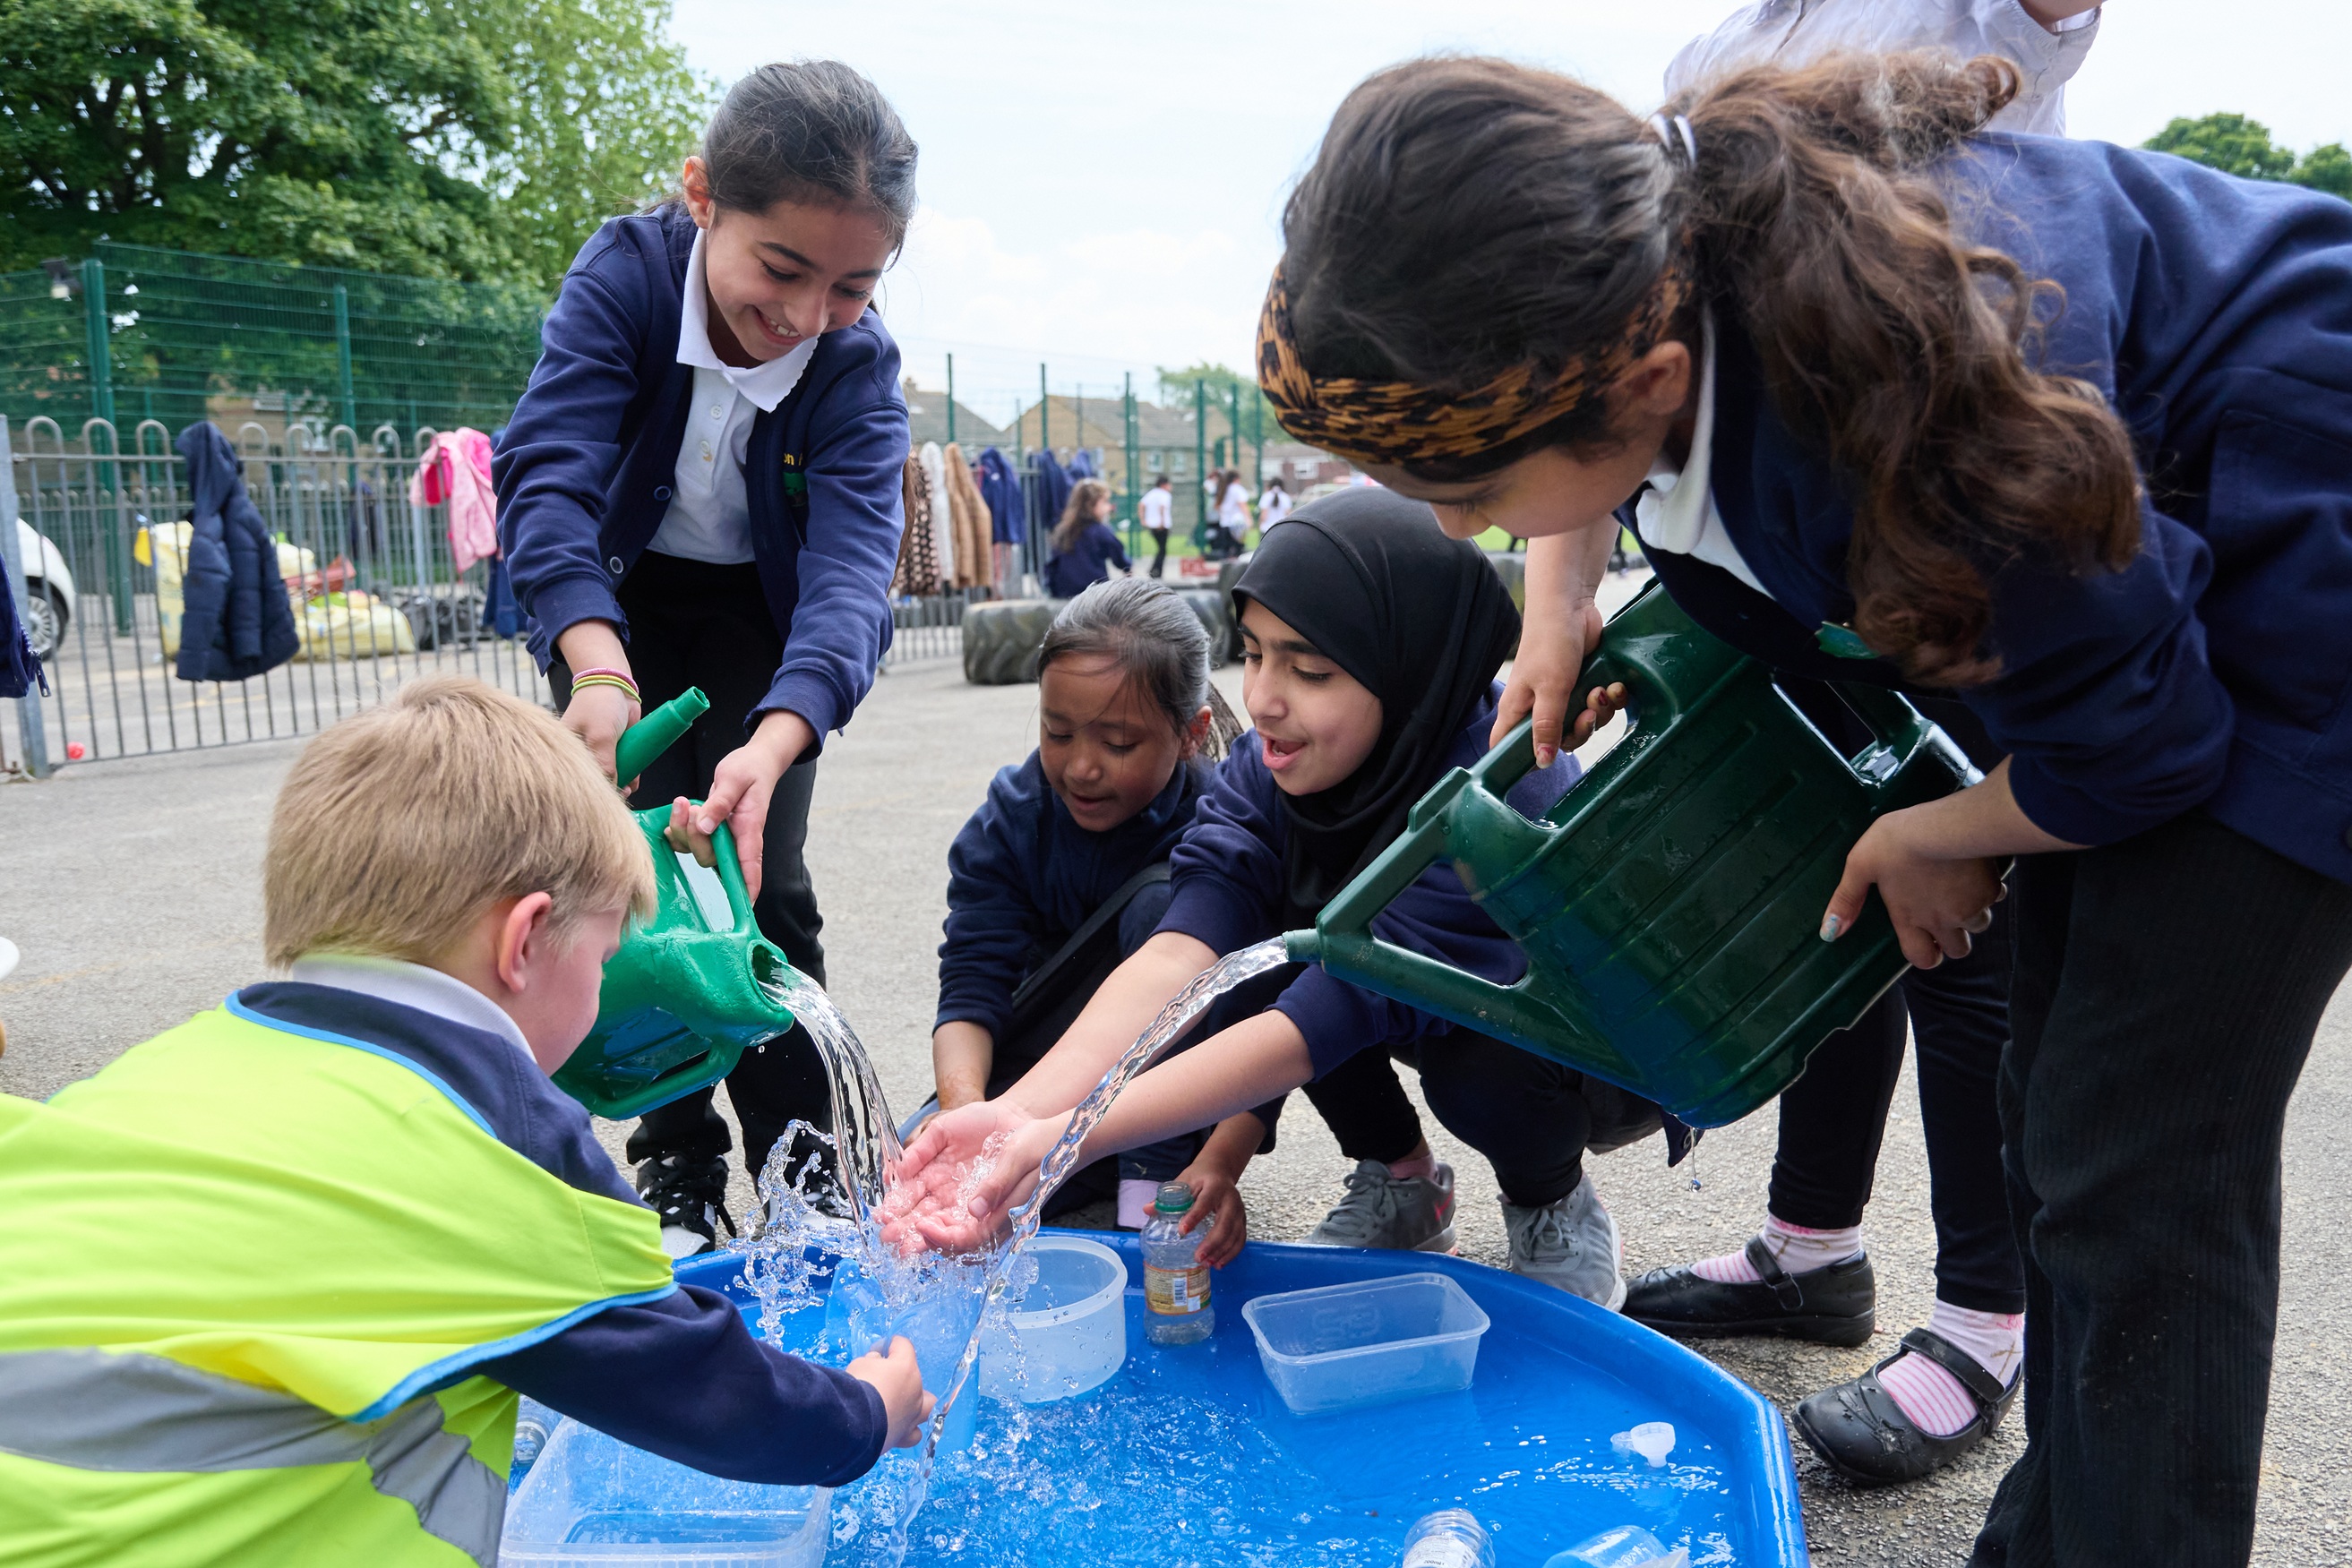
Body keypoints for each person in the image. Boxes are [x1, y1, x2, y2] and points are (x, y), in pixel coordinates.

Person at [1252, 52, 2352, 1565]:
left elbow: (2143, 751)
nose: (1460, 530)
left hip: (2305, 591)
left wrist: (1935, 830)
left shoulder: (1899, 434)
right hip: (2144, 587)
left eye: (1479, 494)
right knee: (2059, 1103)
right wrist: (1553, 599)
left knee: (2143, 1151)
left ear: (1642, 388)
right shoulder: (1661, 257)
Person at [0, 678, 931, 1564]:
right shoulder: (493, 1143)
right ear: (525, 939)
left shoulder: (168, 1067)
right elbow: (707, 1385)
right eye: (607, 954)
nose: (606, 980)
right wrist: (865, 1411)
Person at [1609, 0, 2106, 1487]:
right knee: (1830, 895)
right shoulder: (1714, 51)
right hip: (1791, 547)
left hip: (1954, 509)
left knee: (1958, 936)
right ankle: (1810, 1245)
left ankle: (1985, 1322)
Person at [894, 494, 1648, 1308]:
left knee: (1476, 1068)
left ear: (1408, 666)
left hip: (1583, 1043)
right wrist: (1012, 1118)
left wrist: (1058, 1145)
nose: (1262, 698)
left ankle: (1553, 1202)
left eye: (1309, 669)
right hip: (1391, 1001)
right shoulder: (1269, 766)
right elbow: (1183, 954)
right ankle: (1406, 1186)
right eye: (1253, 654)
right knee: (1282, 944)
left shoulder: (1500, 795)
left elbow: (1313, 1028)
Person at [496, 62, 916, 1255]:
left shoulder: (855, 365)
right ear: (701, 197)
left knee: (756, 882)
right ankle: (676, 1162)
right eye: (781, 268)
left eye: (851, 284)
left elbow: (846, 581)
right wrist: (596, 668)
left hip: (761, 631)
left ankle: (812, 1176)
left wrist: (778, 739)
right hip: (611, 615)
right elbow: (548, 477)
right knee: (621, 890)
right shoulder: (625, 276)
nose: (803, 312)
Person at [928, 576, 1266, 1239]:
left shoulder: (1230, 827)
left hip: (1182, 1097)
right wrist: (967, 1121)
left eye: (1117, 745)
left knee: (1163, 904)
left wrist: (1219, 1161)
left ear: (1192, 733)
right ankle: (1068, 1160)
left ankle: (1149, 1179)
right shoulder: (1012, 819)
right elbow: (970, 990)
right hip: (1043, 1082)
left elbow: (1269, 1019)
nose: (1081, 767)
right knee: (926, 1191)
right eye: (1058, 733)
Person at [1042, 479, 1133, 599]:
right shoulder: (1099, 531)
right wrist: (1127, 568)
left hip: (1064, 591)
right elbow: (1117, 552)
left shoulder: (1063, 530)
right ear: (1091, 504)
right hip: (1093, 591)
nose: (1108, 507)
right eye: (1105, 501)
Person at [1140, 473, 1175, 578]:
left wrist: (1143, 520)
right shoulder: (1165, 495)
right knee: (1162, 550)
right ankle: (1156, 571)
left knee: (1161, 549)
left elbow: (1141, 504)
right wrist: (1162, 522)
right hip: (1161, 526)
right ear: (1164, 484)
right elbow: (1162, 507)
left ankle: (1155, 570)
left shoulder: (1151, 493)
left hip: (1152, 525)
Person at [1217, 468, 1255, 556]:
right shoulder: (1238, 489)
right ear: (1237, 479)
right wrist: (1249, 519)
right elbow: (1243, 505)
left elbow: (1218, 507)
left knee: (1226, 553)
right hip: (1236, 525)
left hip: (1224, 524)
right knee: (1238, 552)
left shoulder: (1223, 489)